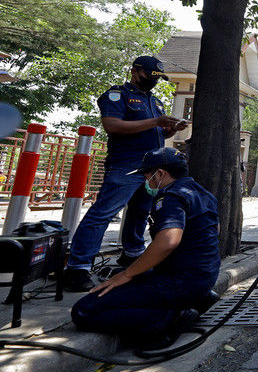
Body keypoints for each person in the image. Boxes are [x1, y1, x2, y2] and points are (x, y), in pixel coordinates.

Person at [71, 147, 220, 349]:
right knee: (125, 279)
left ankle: (168, 318)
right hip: (203, 278)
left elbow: (168, 240)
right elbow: (215, 230)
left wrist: (127, 275)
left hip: (179, 282)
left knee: (84, 310)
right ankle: (195, 299)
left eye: (147, 175)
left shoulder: (170, 197)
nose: (146, 181)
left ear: (160, 174)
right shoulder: (202, 193)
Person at [64, 56, 187, 292]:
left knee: (141, 212)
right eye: (150, 76)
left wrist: (170, 128)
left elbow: (160, 134)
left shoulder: (157, 102)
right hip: (126, 164)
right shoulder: (117, 95)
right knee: (104, 213)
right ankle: (78, 266)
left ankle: (132, 254)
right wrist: (156, 122)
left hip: (152, 168)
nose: (154, 81)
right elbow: (112, 125)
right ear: (135, 71)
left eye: (157, 78)